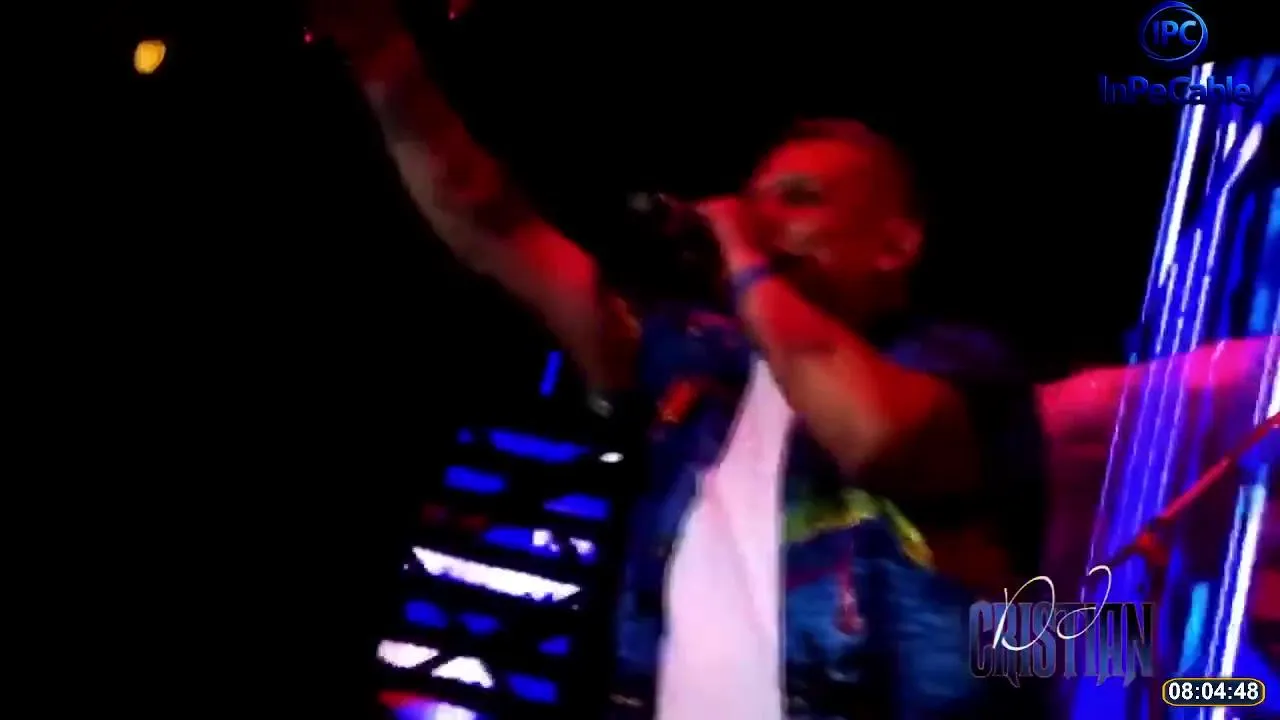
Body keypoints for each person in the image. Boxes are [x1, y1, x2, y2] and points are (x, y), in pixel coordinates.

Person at [309, 3, 1046, 718]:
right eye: (753, 201)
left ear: (895, 244)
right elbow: (490, 219)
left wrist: (740, 246)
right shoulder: (695, 367)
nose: (761, 219)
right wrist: (381, 53)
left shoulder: (962, 369)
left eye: (800, 200)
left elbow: (878, 437)